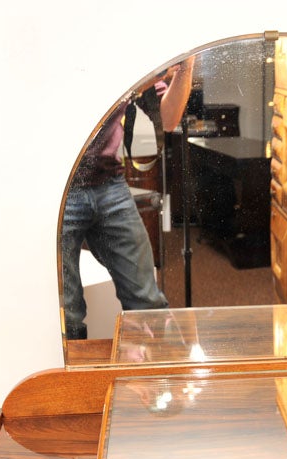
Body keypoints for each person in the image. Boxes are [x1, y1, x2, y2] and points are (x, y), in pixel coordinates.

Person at [61, 57, 195, 340]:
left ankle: (156, 380)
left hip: (110, 182)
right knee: (67, 312)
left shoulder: (136, 52)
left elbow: (169, 119)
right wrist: (144, 78)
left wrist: (188, 65)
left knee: (148, 302)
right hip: (61, 187)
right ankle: (74, 385)